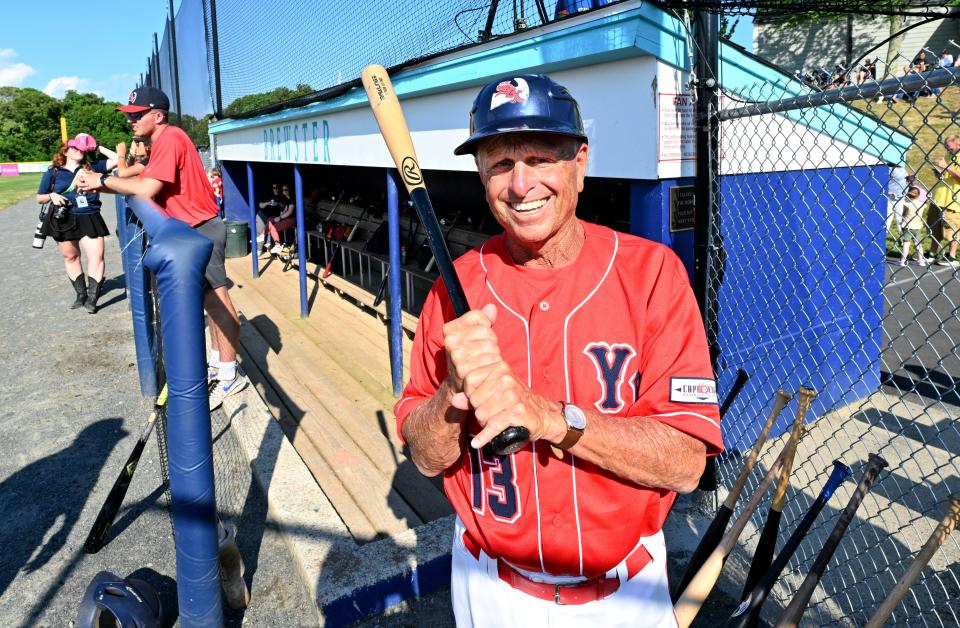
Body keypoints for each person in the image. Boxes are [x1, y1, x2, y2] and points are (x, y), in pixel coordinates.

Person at [393, 74, 721, 626]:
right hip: (488, 587)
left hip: (625, 595)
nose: (521, 185)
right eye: (500, 164)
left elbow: (687, 463)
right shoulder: (455, 289)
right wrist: (452, 394)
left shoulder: (651, 275)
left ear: (580, 163)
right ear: (481, 175)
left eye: (541, 158)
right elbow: (426, 455)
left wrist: (549, 417)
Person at [76, 86, 248, 409]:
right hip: (193, 231)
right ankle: (218, 364)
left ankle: (229, 374)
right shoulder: (162, 141)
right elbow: (136, 175)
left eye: (137, 114)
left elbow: (146, 188)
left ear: (157, 115)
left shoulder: (170, 138)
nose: (131, 120)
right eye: (130, 115)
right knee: (210, 305)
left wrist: (102, 182)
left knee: (218, 303)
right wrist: (110, 174)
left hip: (202, 230)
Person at [36, 133, 116, 313]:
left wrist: (96, 146)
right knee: (71, 257)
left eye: (81, 147)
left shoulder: (93, 167)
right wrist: (51, 195)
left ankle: (93, 298)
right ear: (65, 152)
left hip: (89, 215)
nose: (78, 150)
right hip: (63, 218)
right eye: (74, 147)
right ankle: (81, 295)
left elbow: (117, 160)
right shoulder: (53, 172)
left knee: (97, 256)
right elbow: (39, 198)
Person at [931, 135, 960, 266]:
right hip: (939, 197)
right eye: (946, 147)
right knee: (934, 227)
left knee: (952, 229)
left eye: (950, 147)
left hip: (953, 200)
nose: (947, 149)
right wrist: (939, 171)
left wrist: (947, 167)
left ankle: (952, 256)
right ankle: (932, 253)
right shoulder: (948, 155)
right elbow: (948, 175)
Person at [899, 186, 929, 267]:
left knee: (906, 244)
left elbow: (903, 213)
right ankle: (921, 260)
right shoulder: (921, 204)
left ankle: (903, 260)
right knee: (918, 244)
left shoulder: (906, 204)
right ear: (918, 195)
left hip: (907, 225)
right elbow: (926, 202)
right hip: (917, 226)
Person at [264, 183, 296, 256]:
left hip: (293, 219)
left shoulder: (292, 198)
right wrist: (280, 216)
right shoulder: (287, 199)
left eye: (286, 190)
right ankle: (264, 237)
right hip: (287, 219)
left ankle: (279, 247)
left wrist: (280, 217)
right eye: (283, 190)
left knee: (274, 228)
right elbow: (285, 210)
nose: (284, 191)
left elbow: (290, 212)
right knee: (270, 219)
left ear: (289, 190)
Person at [257, 182, 286, 251]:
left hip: (273, 216)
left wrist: (278, 203)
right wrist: (268, 203)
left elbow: (285, 207)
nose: (276, 189)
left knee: (271, 232)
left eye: (277, 188)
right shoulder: (268, 195)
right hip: (262, 215)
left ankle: (271, 249)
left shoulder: (282, 196)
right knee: (260, 232)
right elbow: (260, 205)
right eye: (274, 188)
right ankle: (259, 250)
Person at [886, 163, 909, 236]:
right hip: (890, 199)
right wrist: (886, 191)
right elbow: (883, 180)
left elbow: (904, 178)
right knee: (888, 219)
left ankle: (902, 238)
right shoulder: (889, 168)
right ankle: (883, 236)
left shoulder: (902, 166)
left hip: (901, 197)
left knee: (900, 218)